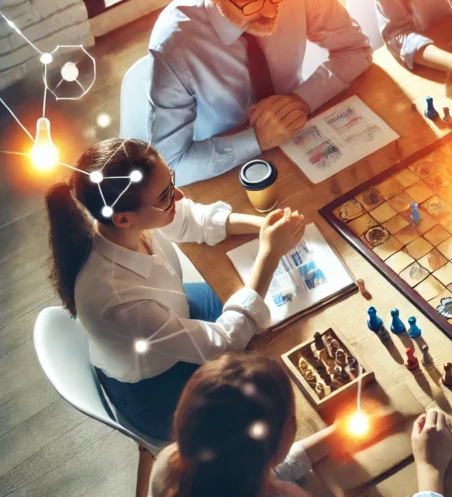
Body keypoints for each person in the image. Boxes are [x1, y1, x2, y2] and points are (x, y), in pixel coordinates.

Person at [45, 138, 305, 441]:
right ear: (124, 218)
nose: (178, 195)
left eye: (171, 181)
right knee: (269, 405)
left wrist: (263, 227)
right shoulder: (116, 304)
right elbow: (221, 344)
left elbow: (191, 218)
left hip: (171, 313)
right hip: (158, 388)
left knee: (269, 327)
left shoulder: (124, 223)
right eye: (166, 194)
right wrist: (269, 254)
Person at [148, 0, 373, 186]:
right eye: (251, 4)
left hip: (300, 133)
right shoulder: (173, 47)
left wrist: (301, 100)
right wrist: (257, 139)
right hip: (225, 161)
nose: (270, 12)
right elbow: (169, 167)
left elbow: (355, 48)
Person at [149, 351, 452, 497]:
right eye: (293, 420)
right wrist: (430, 473)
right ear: (277, 445)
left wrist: (333, 437)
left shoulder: (171, 465)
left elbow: (243, 470)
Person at [149, 352, 339, 497]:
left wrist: (337, 435)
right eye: (292, 419)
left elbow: (254, 470)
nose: (294, 425)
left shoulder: (171, 464)